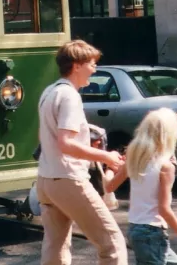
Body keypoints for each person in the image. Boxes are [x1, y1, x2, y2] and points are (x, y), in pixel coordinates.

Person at [36, 39, 126, 265]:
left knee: (55, 247)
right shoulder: (70, 96)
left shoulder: (50, 91)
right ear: (76, 65)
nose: (95, 69)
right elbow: (66, 143)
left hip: (47, 179)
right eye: (92, 64)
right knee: (112, 244)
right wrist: (106, 156)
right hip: (69, 179)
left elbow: (45, 137)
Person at [106, 108, 177, 265]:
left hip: (135, 230)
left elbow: (109, 187)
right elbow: (164, 210)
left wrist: (110, 168)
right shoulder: (166, 167)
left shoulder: (134, 158)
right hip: (152, 233)